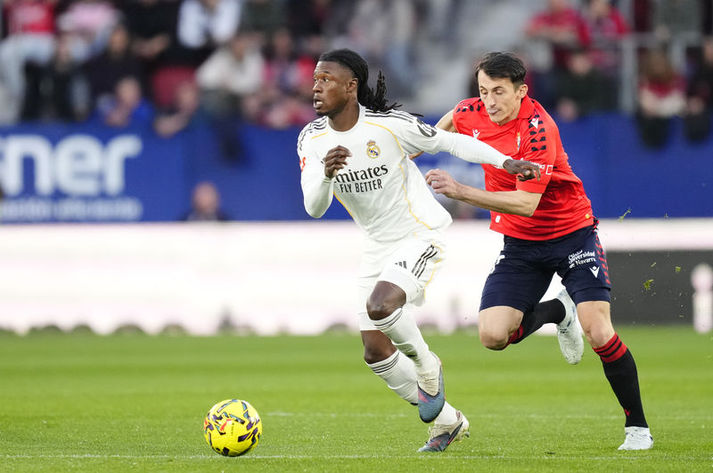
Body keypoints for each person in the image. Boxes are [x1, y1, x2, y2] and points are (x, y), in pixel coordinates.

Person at [298, 48, 540, 452]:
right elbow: (314, 207)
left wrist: (507, 163)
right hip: (376, 244)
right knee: (375, 352)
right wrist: (325, 175)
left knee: (381, 305)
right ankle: (448, 422)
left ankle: (429, 366)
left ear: (351, 86)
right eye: (315, 80)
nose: (316, 87)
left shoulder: (389, 126)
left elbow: (451, 142)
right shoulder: (312, 139)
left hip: (419, 234)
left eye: (326, 80)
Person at [424, 52, 653, 451]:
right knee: (492, 335)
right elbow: (447, 122)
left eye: (498, 91)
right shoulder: (471, 110)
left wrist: (460, 191)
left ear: (521, 91)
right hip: (520, 244)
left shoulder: (538, 130)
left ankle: (638, 428)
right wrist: (410, 148)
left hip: (571, 234)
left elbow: (525, 203)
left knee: (598, 330)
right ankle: (558, 311)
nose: (489, 101)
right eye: (483, 91)